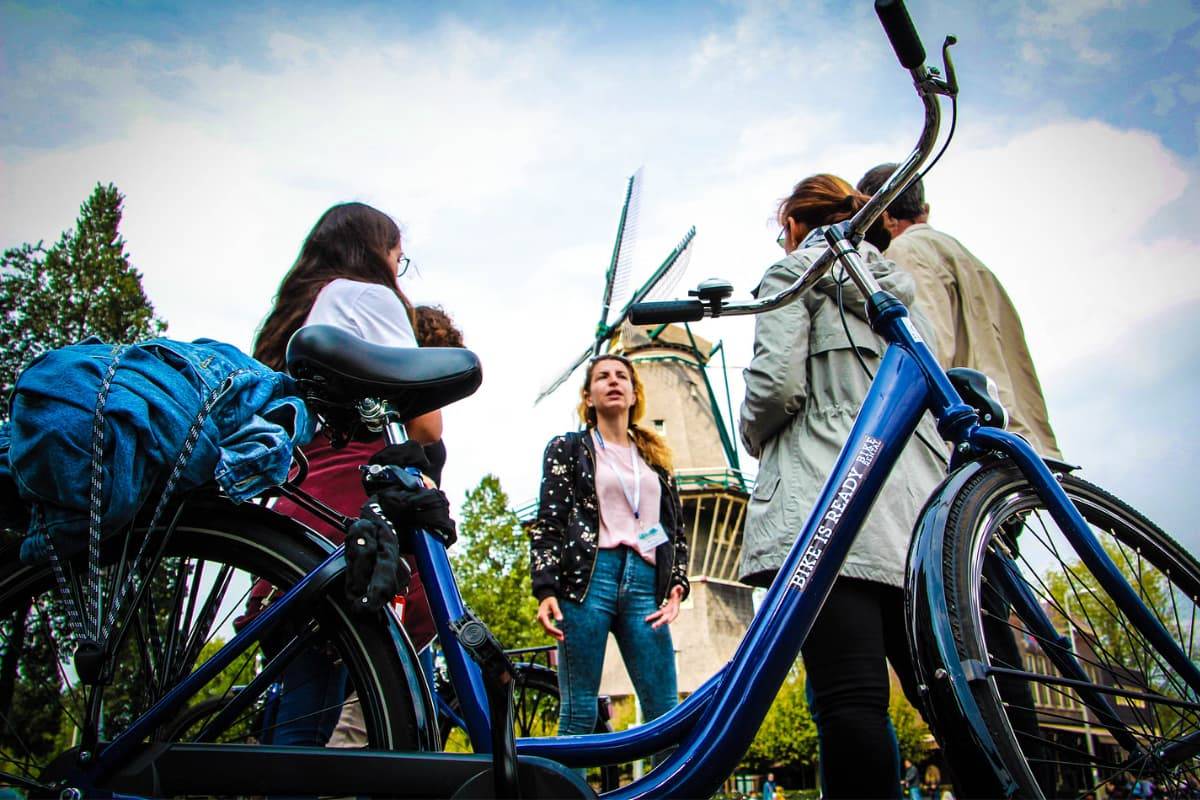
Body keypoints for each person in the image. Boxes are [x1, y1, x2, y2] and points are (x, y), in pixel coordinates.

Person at [739, 174, 944, 798]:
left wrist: (752, 432)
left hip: (831, 503)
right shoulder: (898, 288)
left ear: (796, 225)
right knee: (947, 699)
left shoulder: (790, 275)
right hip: (914, 513)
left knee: (851, 699)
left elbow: (775, 387)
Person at [251, 201, 443, 746]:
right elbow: (426, 422)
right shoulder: (366, 294)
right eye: (398, 259)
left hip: (297, 511)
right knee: (397, 729)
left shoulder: (299, 310)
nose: (397, 272)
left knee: (302, 724)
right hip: (351, 516)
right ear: (378, 252)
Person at [529, 353, 690, 740]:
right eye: (602, 377)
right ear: (588, 397)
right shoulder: (569, 449)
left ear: (635, 395)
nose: (613, 382)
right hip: (589, 580)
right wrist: (546, 588)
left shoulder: (655, 460)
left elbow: (674, 530)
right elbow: (550, 519)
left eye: (622, 376)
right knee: (580, 712)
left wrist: (677, 584)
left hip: (644, 583)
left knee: (664, 712)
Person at [856, 164, 1061, 458]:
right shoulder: (969, 259)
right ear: (924, 209)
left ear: (884, 216)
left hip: (973, 432)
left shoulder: (904, 253)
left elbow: (929, 347)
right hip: (1016, 430)